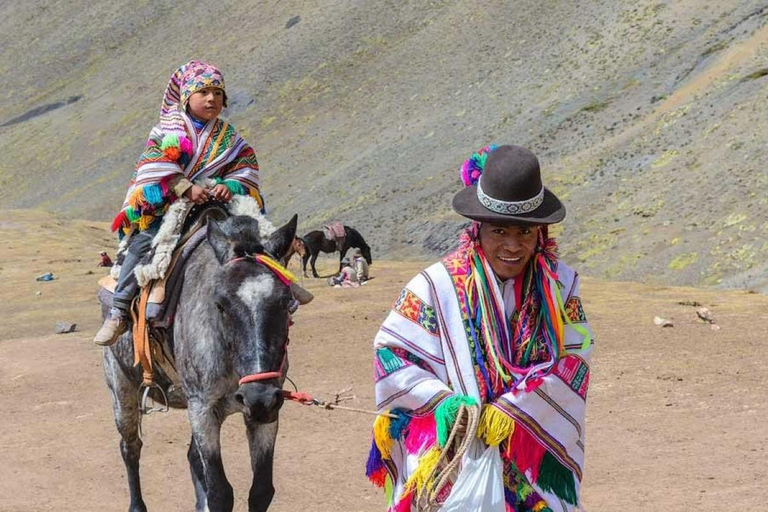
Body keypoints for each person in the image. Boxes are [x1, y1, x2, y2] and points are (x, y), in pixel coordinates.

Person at [365, 145, 593, 511]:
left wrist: (515, 411)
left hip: (527, 449)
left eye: (524, 232)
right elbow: (392, 355)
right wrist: (443, 403)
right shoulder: (435, 287)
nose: (512, 245)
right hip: (454, 458)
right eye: (498, 231)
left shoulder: (561, 287)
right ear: (478, 228)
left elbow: (575, 361)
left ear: (540, 232)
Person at [94, 61, 265, 346]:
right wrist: (184, 187)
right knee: (143, 244)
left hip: (216, 205)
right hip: (169, 206)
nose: (212, 99)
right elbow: (152, 166)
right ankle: (119, 310)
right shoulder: (167, 131)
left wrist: (229, 185)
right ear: (187, 97)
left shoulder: (230, 136)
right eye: (204, 92)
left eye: (218, 93)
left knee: (256, 238)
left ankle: (279, 293)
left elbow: (245, 165)